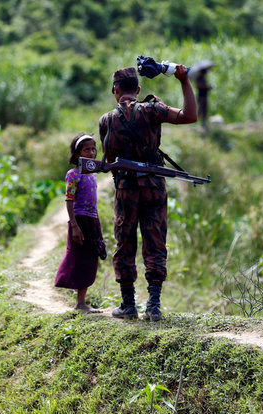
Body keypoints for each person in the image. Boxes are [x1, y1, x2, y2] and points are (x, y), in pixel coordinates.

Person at [99, 65, 197, 321]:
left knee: (125, 242)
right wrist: (184, 80)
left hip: (125, 190)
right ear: (139, 89)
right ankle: (153, 305)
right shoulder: (153, 109)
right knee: (155, 243)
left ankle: (128, 304)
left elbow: (108, 158)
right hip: (154, 187)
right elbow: (190, 115)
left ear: (115, 90)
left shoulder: (106, 120)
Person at [54, 133, 106, 313]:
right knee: (80, 259)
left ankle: (81, 302)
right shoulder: (73, 175)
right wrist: (75, 226)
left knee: (91, 259)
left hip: (92, 220)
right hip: (80, 220)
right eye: (86, 149)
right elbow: (69, 201)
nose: (91, 153)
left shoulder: (92, 174)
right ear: (77, 154)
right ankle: (80, 303)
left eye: (93, 149)